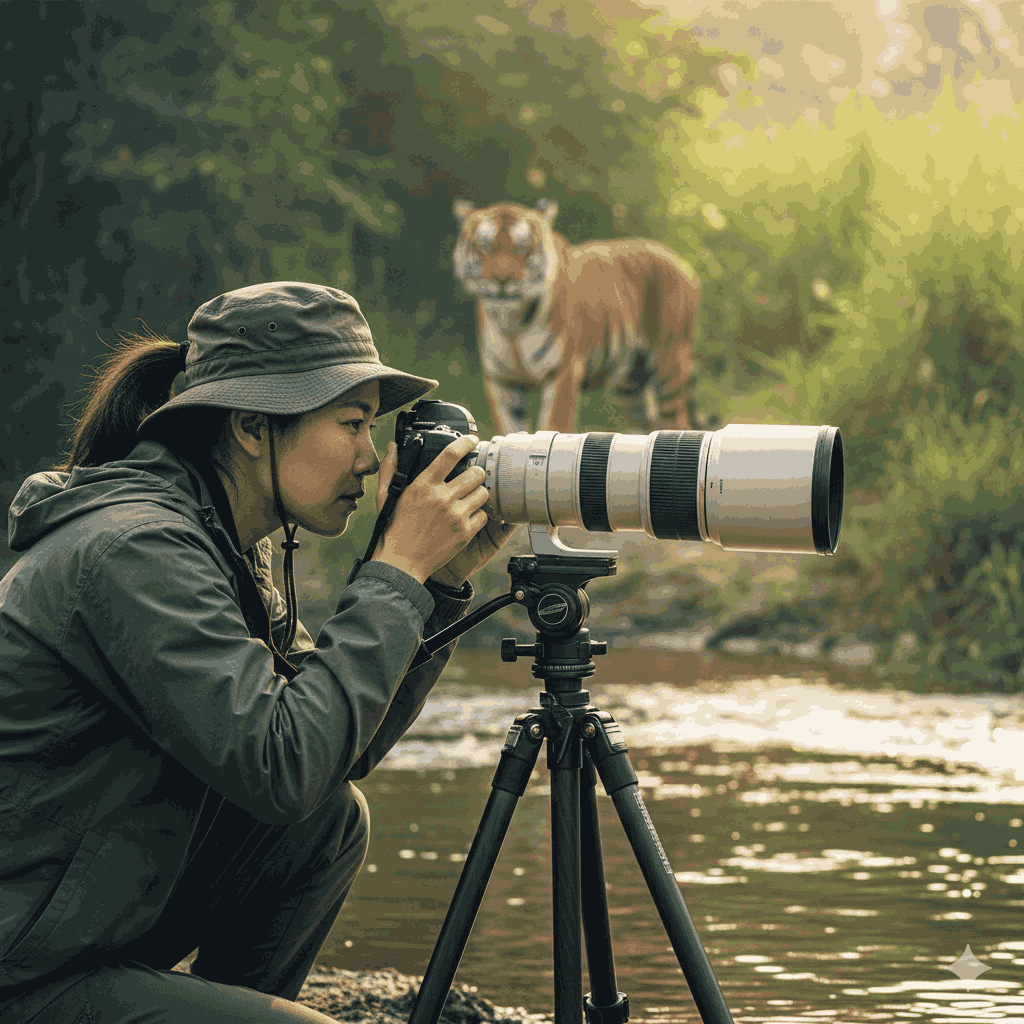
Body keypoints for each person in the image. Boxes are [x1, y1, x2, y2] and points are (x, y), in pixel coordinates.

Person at [0, 282, 517, 1023]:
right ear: (251, 426)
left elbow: (332, 752)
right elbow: (284, 766)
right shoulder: (136, 550)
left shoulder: (227, 541)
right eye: (352, 424)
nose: (371, 459)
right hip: (22, 966)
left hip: (76, 925)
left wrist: (433, 585)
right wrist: (395, 572)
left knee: (326, 822)